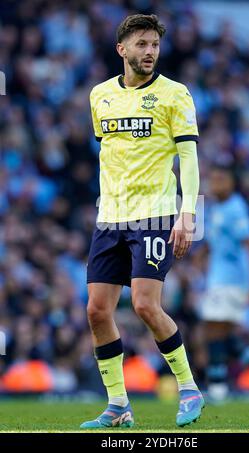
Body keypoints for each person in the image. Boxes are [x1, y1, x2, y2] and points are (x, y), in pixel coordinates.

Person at [80, 14, 204, 429]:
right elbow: (110, 148)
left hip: (155, 214)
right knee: (97, 311)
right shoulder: (100, 96)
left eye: (154, 44)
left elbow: (187, 156)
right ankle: (118, 406)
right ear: (122, 49)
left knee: (146, 305)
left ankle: (188, 388)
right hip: (109, 216)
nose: (150, 52)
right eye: (142, 45)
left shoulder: (175, 94)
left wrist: (188, 215)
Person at [201, 164, 249, 402]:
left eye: (221, 179)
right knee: (222, 333)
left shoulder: (236, 208)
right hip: (220, 277)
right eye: (213, 179)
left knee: (213, 330)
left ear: (232, 182)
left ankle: (217, 388)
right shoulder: (216, 208)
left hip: (230, 279)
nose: (216, 184)